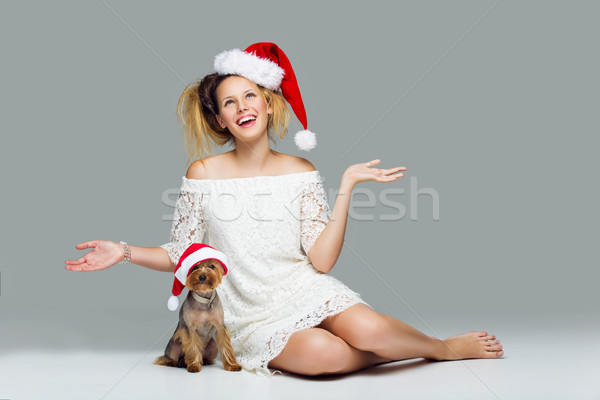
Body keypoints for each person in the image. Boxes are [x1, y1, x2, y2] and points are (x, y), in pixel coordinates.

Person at [65, 43, 503, 376]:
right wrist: (122, 251)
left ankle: (443, 348)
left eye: (250, 96)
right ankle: (400, 350)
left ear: (268, 102)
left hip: (305, 288)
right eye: (229, 103)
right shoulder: (201, 172)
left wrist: (346, 186)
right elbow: (183, 253)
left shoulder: (301, 170)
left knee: (369, 331)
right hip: (248, 311)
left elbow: (321, 259)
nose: (242, 108)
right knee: (325, 357)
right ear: (220, 120)